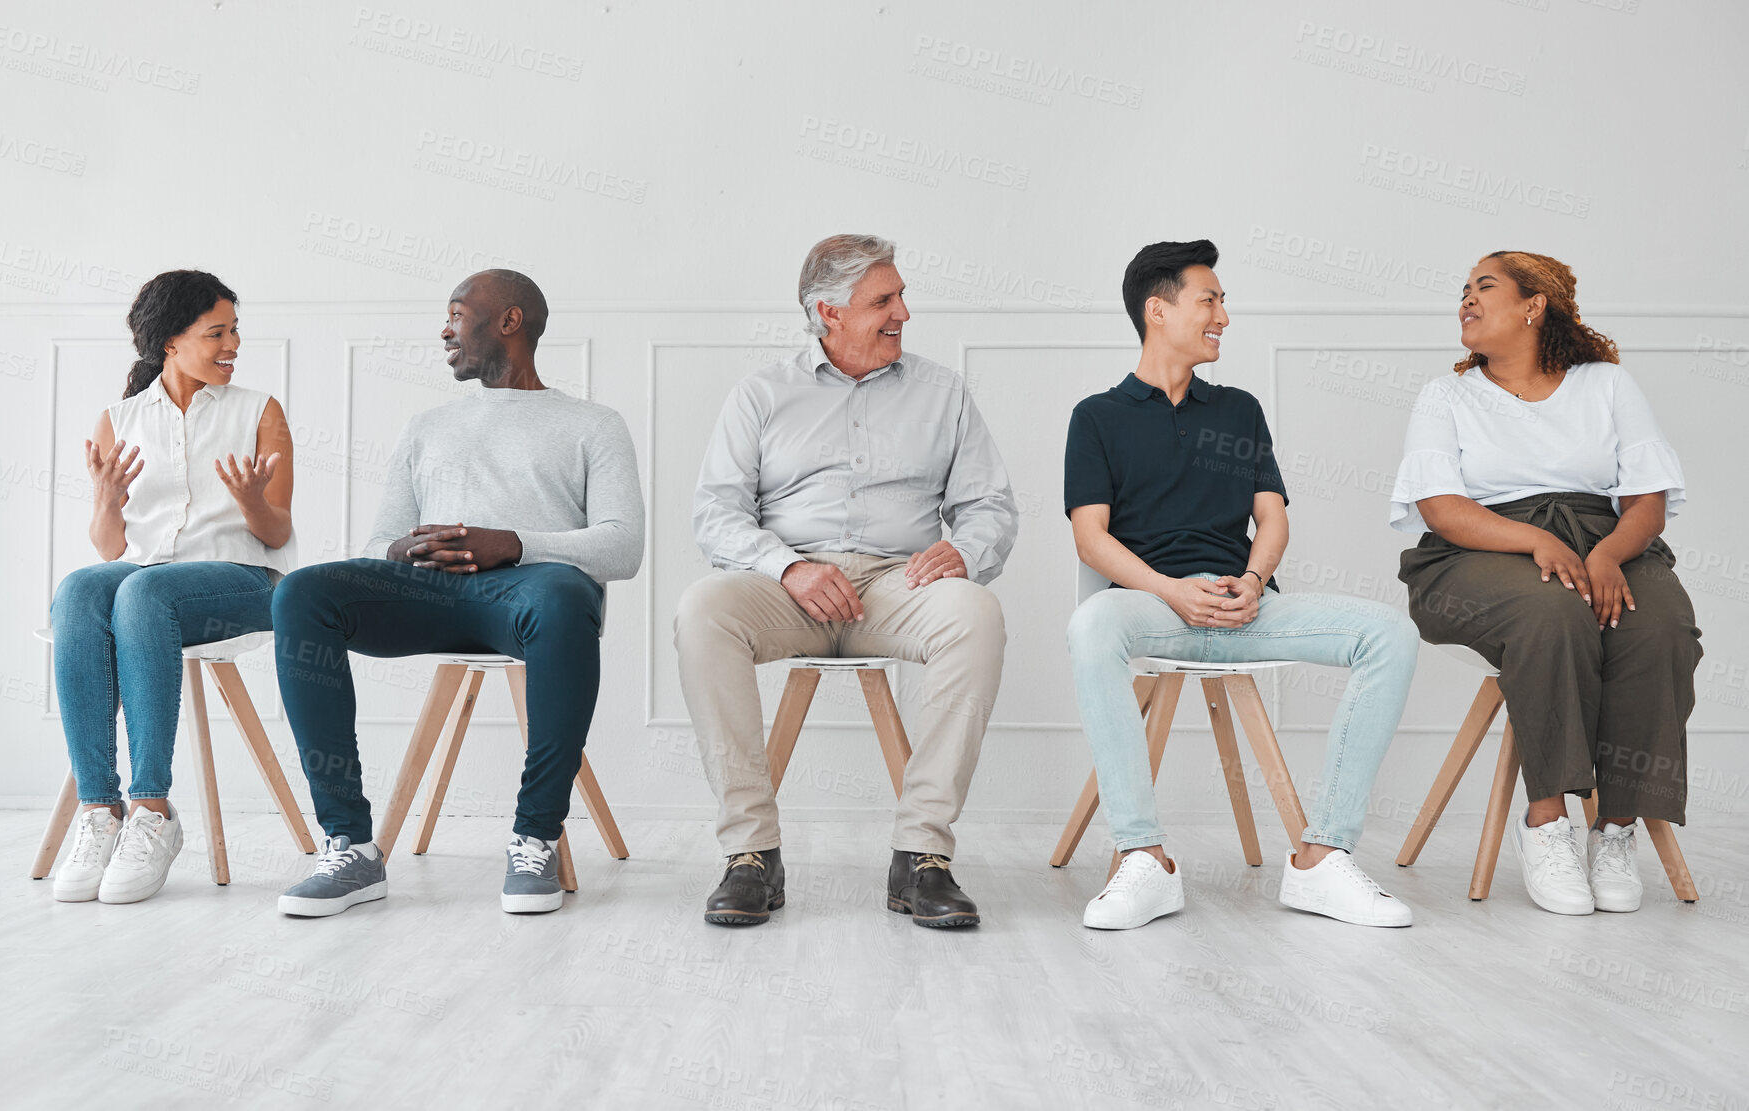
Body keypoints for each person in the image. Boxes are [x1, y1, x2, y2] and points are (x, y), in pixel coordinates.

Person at [1064, 239, 1419, 931]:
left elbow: (1273, 519)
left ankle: (1322, 857)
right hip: (1152, 607)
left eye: (1222, 300)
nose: (1224, 313)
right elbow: (1091, 538)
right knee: (1090, 624)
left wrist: (1255, 579)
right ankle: (1143, 857)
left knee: (1390, 633)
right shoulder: (1097, 418)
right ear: (1158, 310)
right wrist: (1171, 590)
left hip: (1244, 606)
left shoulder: (1238, 409)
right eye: (1211, 299)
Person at [272, 269, 644, 917]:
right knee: (304, 592)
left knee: (562, 595)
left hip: (531, 594)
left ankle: (535, 838)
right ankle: (351, 846)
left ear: (510, 321)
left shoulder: (592, 424)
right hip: (429, 591)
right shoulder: (428, 426)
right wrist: (410, 548)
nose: (444, 329)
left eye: (456, 312)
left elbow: (623, 547)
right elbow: (380, 545)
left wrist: (513, 543)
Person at [675, 234, 1018, 928]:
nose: (904, 313)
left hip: (900, 584)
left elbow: (990, 508)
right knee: (702, 610)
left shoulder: (942, 391)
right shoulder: (762, 393)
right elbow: (715, 511)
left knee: (976, 614)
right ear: (827, 311)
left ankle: (923, 855)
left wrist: (965, 551)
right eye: (883, 301)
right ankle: (750, 854)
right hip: (788, 586)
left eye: (901, 296)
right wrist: (789, 566)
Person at [1392, 250, 1700, 916]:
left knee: (1660, 625)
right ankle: (1545, 822)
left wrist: (1610, 554)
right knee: (1549, 612)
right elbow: (1442, 508)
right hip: (1476, 548)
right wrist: (1537, 539)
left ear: (1535, 305)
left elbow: (1645, 499)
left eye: (1485, 287)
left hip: (1605, 543)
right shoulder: (1445, 395)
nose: (1466, 300)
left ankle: (1616, 827)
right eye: (1463, 290)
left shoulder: (1607, 385)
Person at [49, 270, 295, 904]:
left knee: (142, 594)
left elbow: (276, 534)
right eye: (217, 332)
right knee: (80, 588)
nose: (232, 344)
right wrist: (106, 499)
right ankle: (99, 810)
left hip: (241, 582)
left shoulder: (259, 412)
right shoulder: (118, 419)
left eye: (235, 330)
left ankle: (152, 807)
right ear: (169, 343)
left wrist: (249, 501)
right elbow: (110, 550)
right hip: (149, 580)